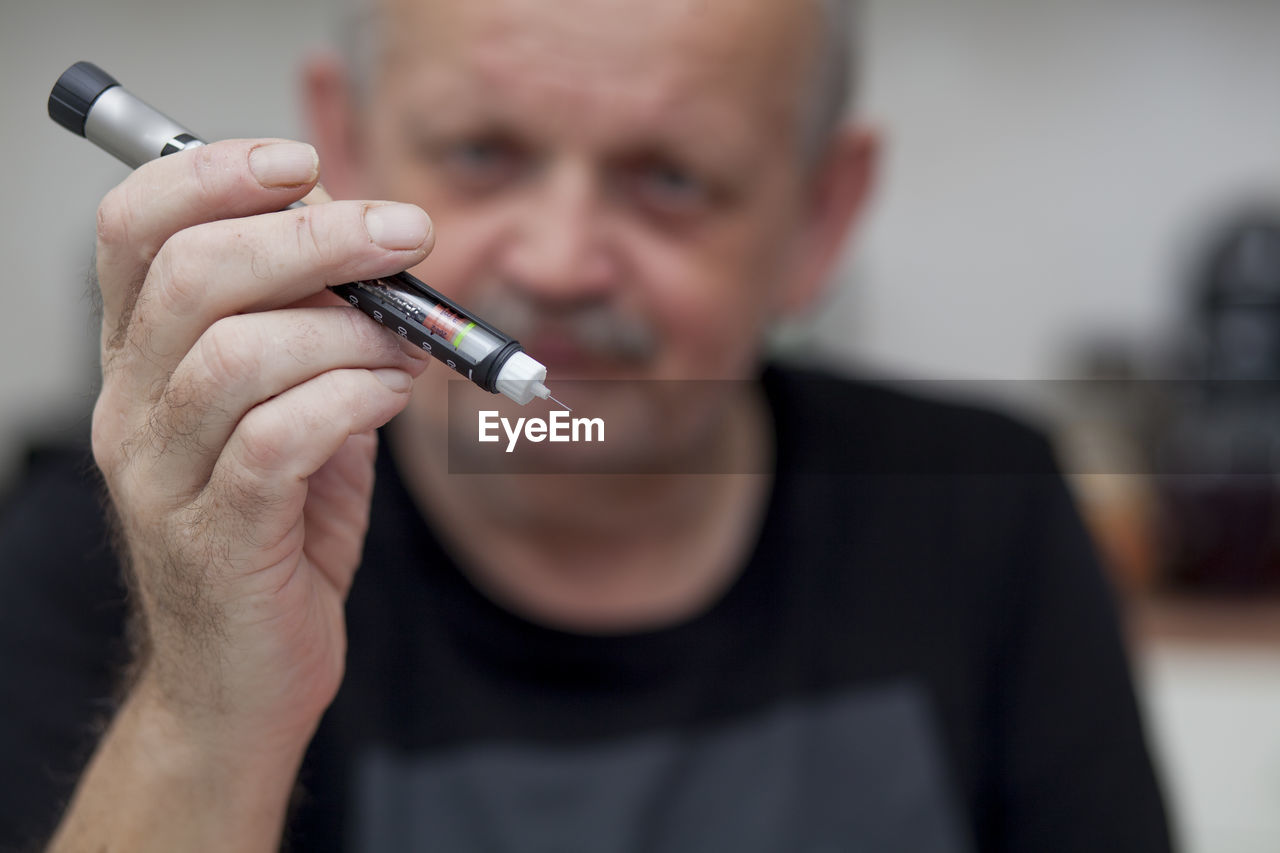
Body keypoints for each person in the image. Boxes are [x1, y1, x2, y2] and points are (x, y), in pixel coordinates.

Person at [0, 0, 1173, 850]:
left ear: (821, 212)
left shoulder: (979, 508)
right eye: (480, 153)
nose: (559, 263)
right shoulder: (143, 534)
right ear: (341, 142)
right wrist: (207, 707)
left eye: (669, 179)